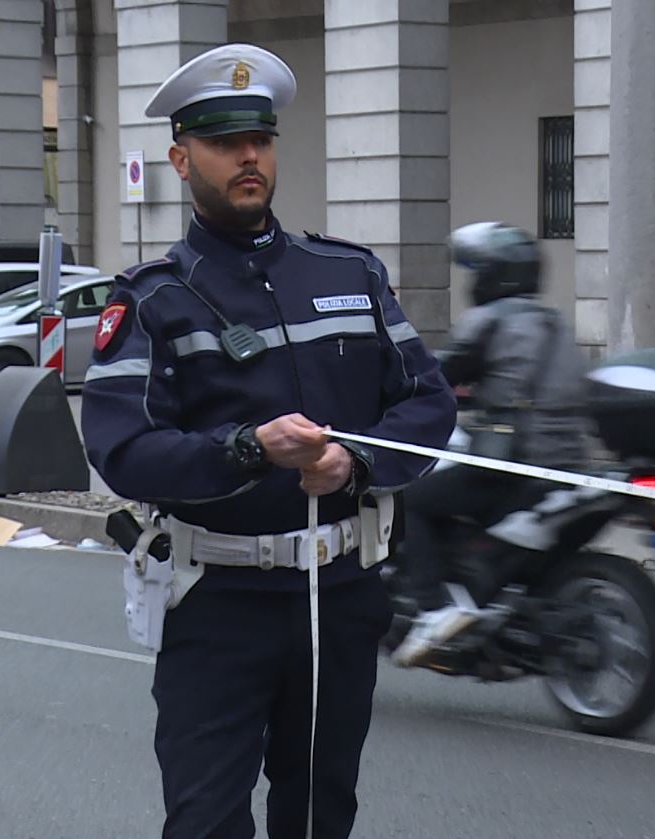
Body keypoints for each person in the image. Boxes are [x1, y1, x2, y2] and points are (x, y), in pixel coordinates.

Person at [80, 44, 456, 839]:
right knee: (205, 820)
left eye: (260, 139)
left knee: (319, 816)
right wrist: (247, 448)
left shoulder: (349, 274)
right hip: (218, 602)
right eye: (224, 142)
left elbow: (428, 402)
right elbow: (122, 451)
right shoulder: (154, 300)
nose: (248, 157)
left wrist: (356, 460)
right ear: (182, 160)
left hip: (339, 594)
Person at [391, 221, 591, 667]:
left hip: (511, 463)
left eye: (477, 271)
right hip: (568, 464)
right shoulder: (555, 323)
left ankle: (434, 609)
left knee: (408, 501)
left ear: (492, 275)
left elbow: (435, 377)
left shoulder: (489, 320)